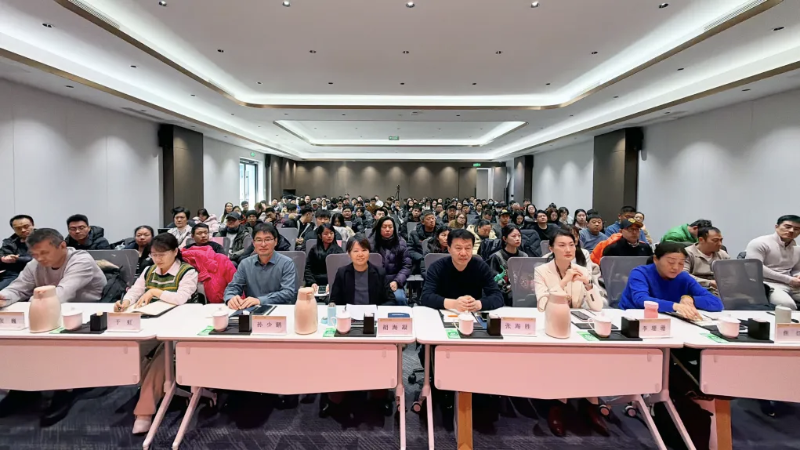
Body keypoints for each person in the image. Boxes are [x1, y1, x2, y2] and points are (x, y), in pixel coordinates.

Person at [113, 233, 198, 434]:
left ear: (175, 252)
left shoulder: (188, 272)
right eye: (154, 255)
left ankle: (144, 411)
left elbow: (181, 298)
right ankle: (149, 386)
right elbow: (135, 291)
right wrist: (126, 302)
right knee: (130, 350)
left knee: (163, 357)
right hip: (150, 324)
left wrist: (154, 292)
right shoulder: (149, 270)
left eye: (162, 254)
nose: (157, 259)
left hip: (180, 327)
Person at [533, 229, 604, 436]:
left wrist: (587, 284)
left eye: (572, 245)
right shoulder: (542, 271)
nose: (568, 249)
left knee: (594, 351)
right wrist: (564, 282)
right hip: (552, 322)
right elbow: (543, 304)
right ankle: (558, 404)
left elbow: (597, 307)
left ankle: (590, 404)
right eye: (562, 245)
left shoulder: (582, 269)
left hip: (576, 323)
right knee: (561, 353)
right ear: (551, 248)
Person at [0, 228, 107, 306]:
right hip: (52, 310)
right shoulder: (34, 264)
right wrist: (4, 297)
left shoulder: (81, 261)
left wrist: (32, 302)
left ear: (62, 246)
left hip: (87, 311)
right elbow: (18, 289)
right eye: (34, 254)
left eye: (44, 253)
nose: (39, 258)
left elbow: (63, 294)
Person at [619, 242, 723, 317]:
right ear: (656, 259)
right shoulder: (640, 273)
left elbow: (717, 304)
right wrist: (675, 306)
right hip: (634, 318)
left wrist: (691, 298)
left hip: (669, 319)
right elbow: (641, 300)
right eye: (671, 262)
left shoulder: (683, 277)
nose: (676, 268)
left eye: (681, 263)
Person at [421, 228, 504, 311]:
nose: (463, 253)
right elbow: (426, 297)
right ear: (449, 249)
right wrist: (454, 304)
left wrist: (478, 304)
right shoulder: (437, 267)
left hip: (472, 313)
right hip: (444, 311)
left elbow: (498, 297)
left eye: (468, 248)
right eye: (458, 248)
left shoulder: (481, 266)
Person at [223, 223, 297, 309]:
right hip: (252, 310)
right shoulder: (245, 264)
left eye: (267, 239)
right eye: (258, 240)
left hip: (279, 310)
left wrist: (260, 300)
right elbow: (233, 287)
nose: (263, 244)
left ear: (275, 241)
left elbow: (288, 292)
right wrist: (231, 298)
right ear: (254, 243)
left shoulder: (287, 263)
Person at [745, 215, 800, 309]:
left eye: (796, 229)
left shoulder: (797, 248)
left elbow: (796, 269)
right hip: (767, 284)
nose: (791, 231)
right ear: (776, 227)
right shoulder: (760, 243)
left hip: (792, 284)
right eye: (787, 227)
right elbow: (756, 268)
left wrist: (797, 276)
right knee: (787, 305)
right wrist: (789, 279)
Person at [329, 235, 396, 306]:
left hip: (372, 312)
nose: (360, 254)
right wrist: (332, 304)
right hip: (350, 312)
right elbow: (334, 300)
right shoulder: (342, 273)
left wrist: (376, 310)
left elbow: (391, 300)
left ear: (369, 252)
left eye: (364, 250)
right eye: (356, 251)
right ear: (349, 254)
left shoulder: (380, 273)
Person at [369, 217, 411, 305]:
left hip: (394, 281)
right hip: (374, 282)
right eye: (384, 227)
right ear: (379, 228)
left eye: (390, 227)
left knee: (399, 299)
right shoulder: (370, 243)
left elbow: (406, 266)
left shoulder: (401, 243)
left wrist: (397, 281)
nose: (387, 229)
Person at [683, 227, 729, 296]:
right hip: (696, 289)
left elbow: (730, 274)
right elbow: (684, 275)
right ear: (701, 240)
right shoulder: (687, 253)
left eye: (721, 240)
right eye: (715, 240)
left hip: (719, 290)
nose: (720, 244)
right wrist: (709, 282)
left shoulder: (722, 254)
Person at [488, 225, 524, 306]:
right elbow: (493, 280)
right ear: (504, 239)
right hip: (503, 295)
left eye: (519, 236)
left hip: (522, 291)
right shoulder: (496, 257)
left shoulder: (524, 256)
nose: (517, 238)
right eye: (513, 236)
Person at [1, 215, 34, 290]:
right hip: (11, 272)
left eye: (26, 226)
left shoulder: (44, 238)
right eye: (18, 228)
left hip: (33, 272)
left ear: (33, 225)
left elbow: (40, 257)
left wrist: (18, 259)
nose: (23, 230)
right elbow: (2, 254)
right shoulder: (9, 241)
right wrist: (3, 259)